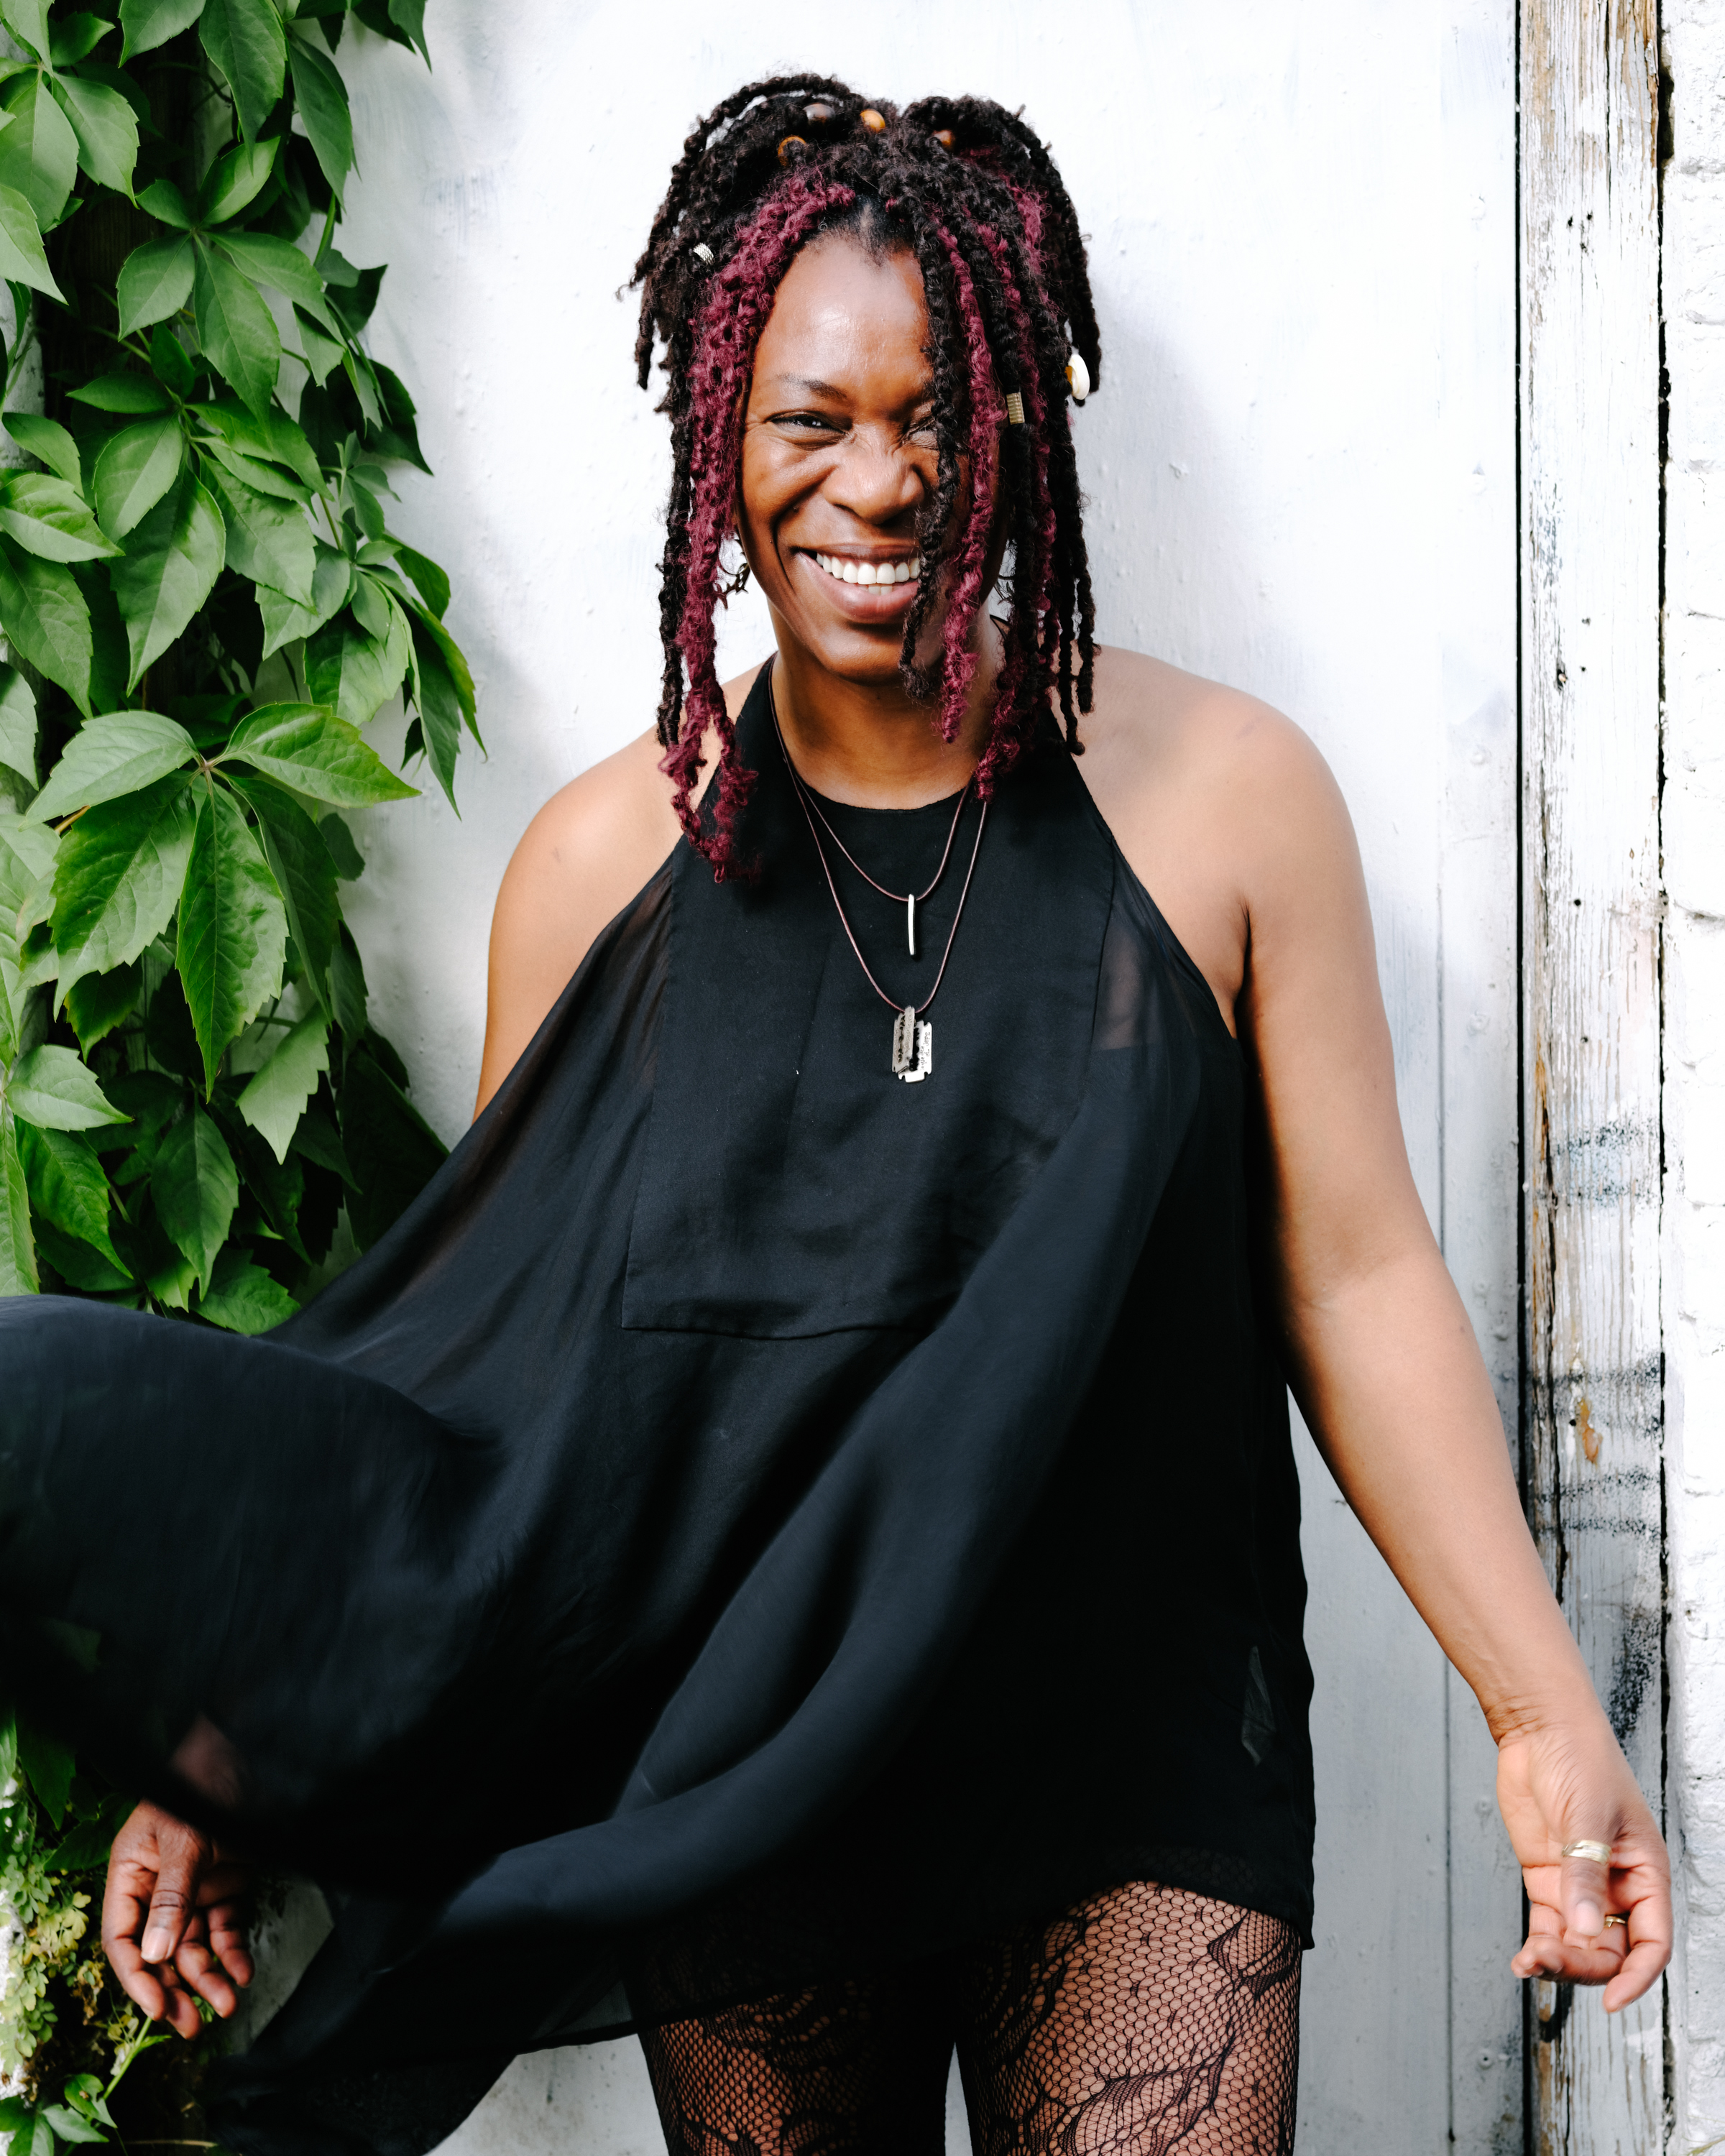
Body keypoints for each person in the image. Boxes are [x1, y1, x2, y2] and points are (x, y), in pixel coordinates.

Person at [3, 78, 1666, 2156]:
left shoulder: (1230, 806)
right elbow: (499, 1406)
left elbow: (1355, 1273)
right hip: (746, 1768)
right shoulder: (603, 867)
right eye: (812, 419)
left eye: (938, 420)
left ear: (1020, 433)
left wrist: (1538, 1711)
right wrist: (239, 1753)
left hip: (1130, 1754)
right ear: (720, 432)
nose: (879, 484)